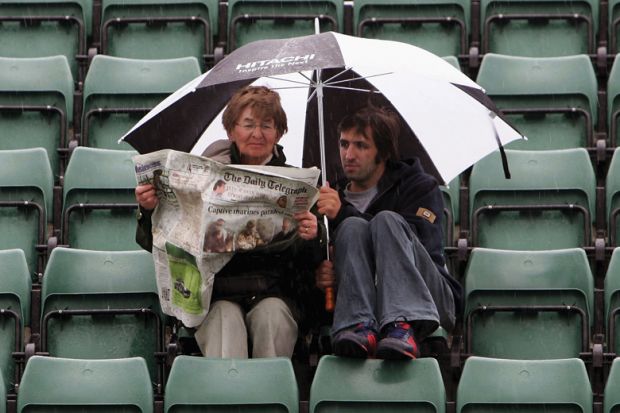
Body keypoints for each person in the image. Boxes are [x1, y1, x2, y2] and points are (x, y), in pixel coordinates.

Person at [135, 85, 326, 359]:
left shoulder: (298, 184)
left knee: (271, 317)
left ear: (279, 132)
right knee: (225, 321)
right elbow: (157, 243)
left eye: (267, 126)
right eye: (248, 125)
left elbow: (313, 262)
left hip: (276, 291)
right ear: (231, 130)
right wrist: (148, 210)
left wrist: (312, 235)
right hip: (218, 293)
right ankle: (231, 398)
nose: (257, 134)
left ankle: (270, 399)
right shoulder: (205, 176)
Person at [315, 105, 462, 360]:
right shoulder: (329, 198)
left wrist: (344, 213)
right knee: (351, 228)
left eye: (361, 146)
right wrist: (324, 272)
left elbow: (418, 248)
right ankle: (357, 325)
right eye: (344, 144)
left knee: (386, 221)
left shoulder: (419, 187)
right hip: (358, 307)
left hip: (430, 298)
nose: (348, 154)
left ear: (382, 152)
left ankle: (401, 324)